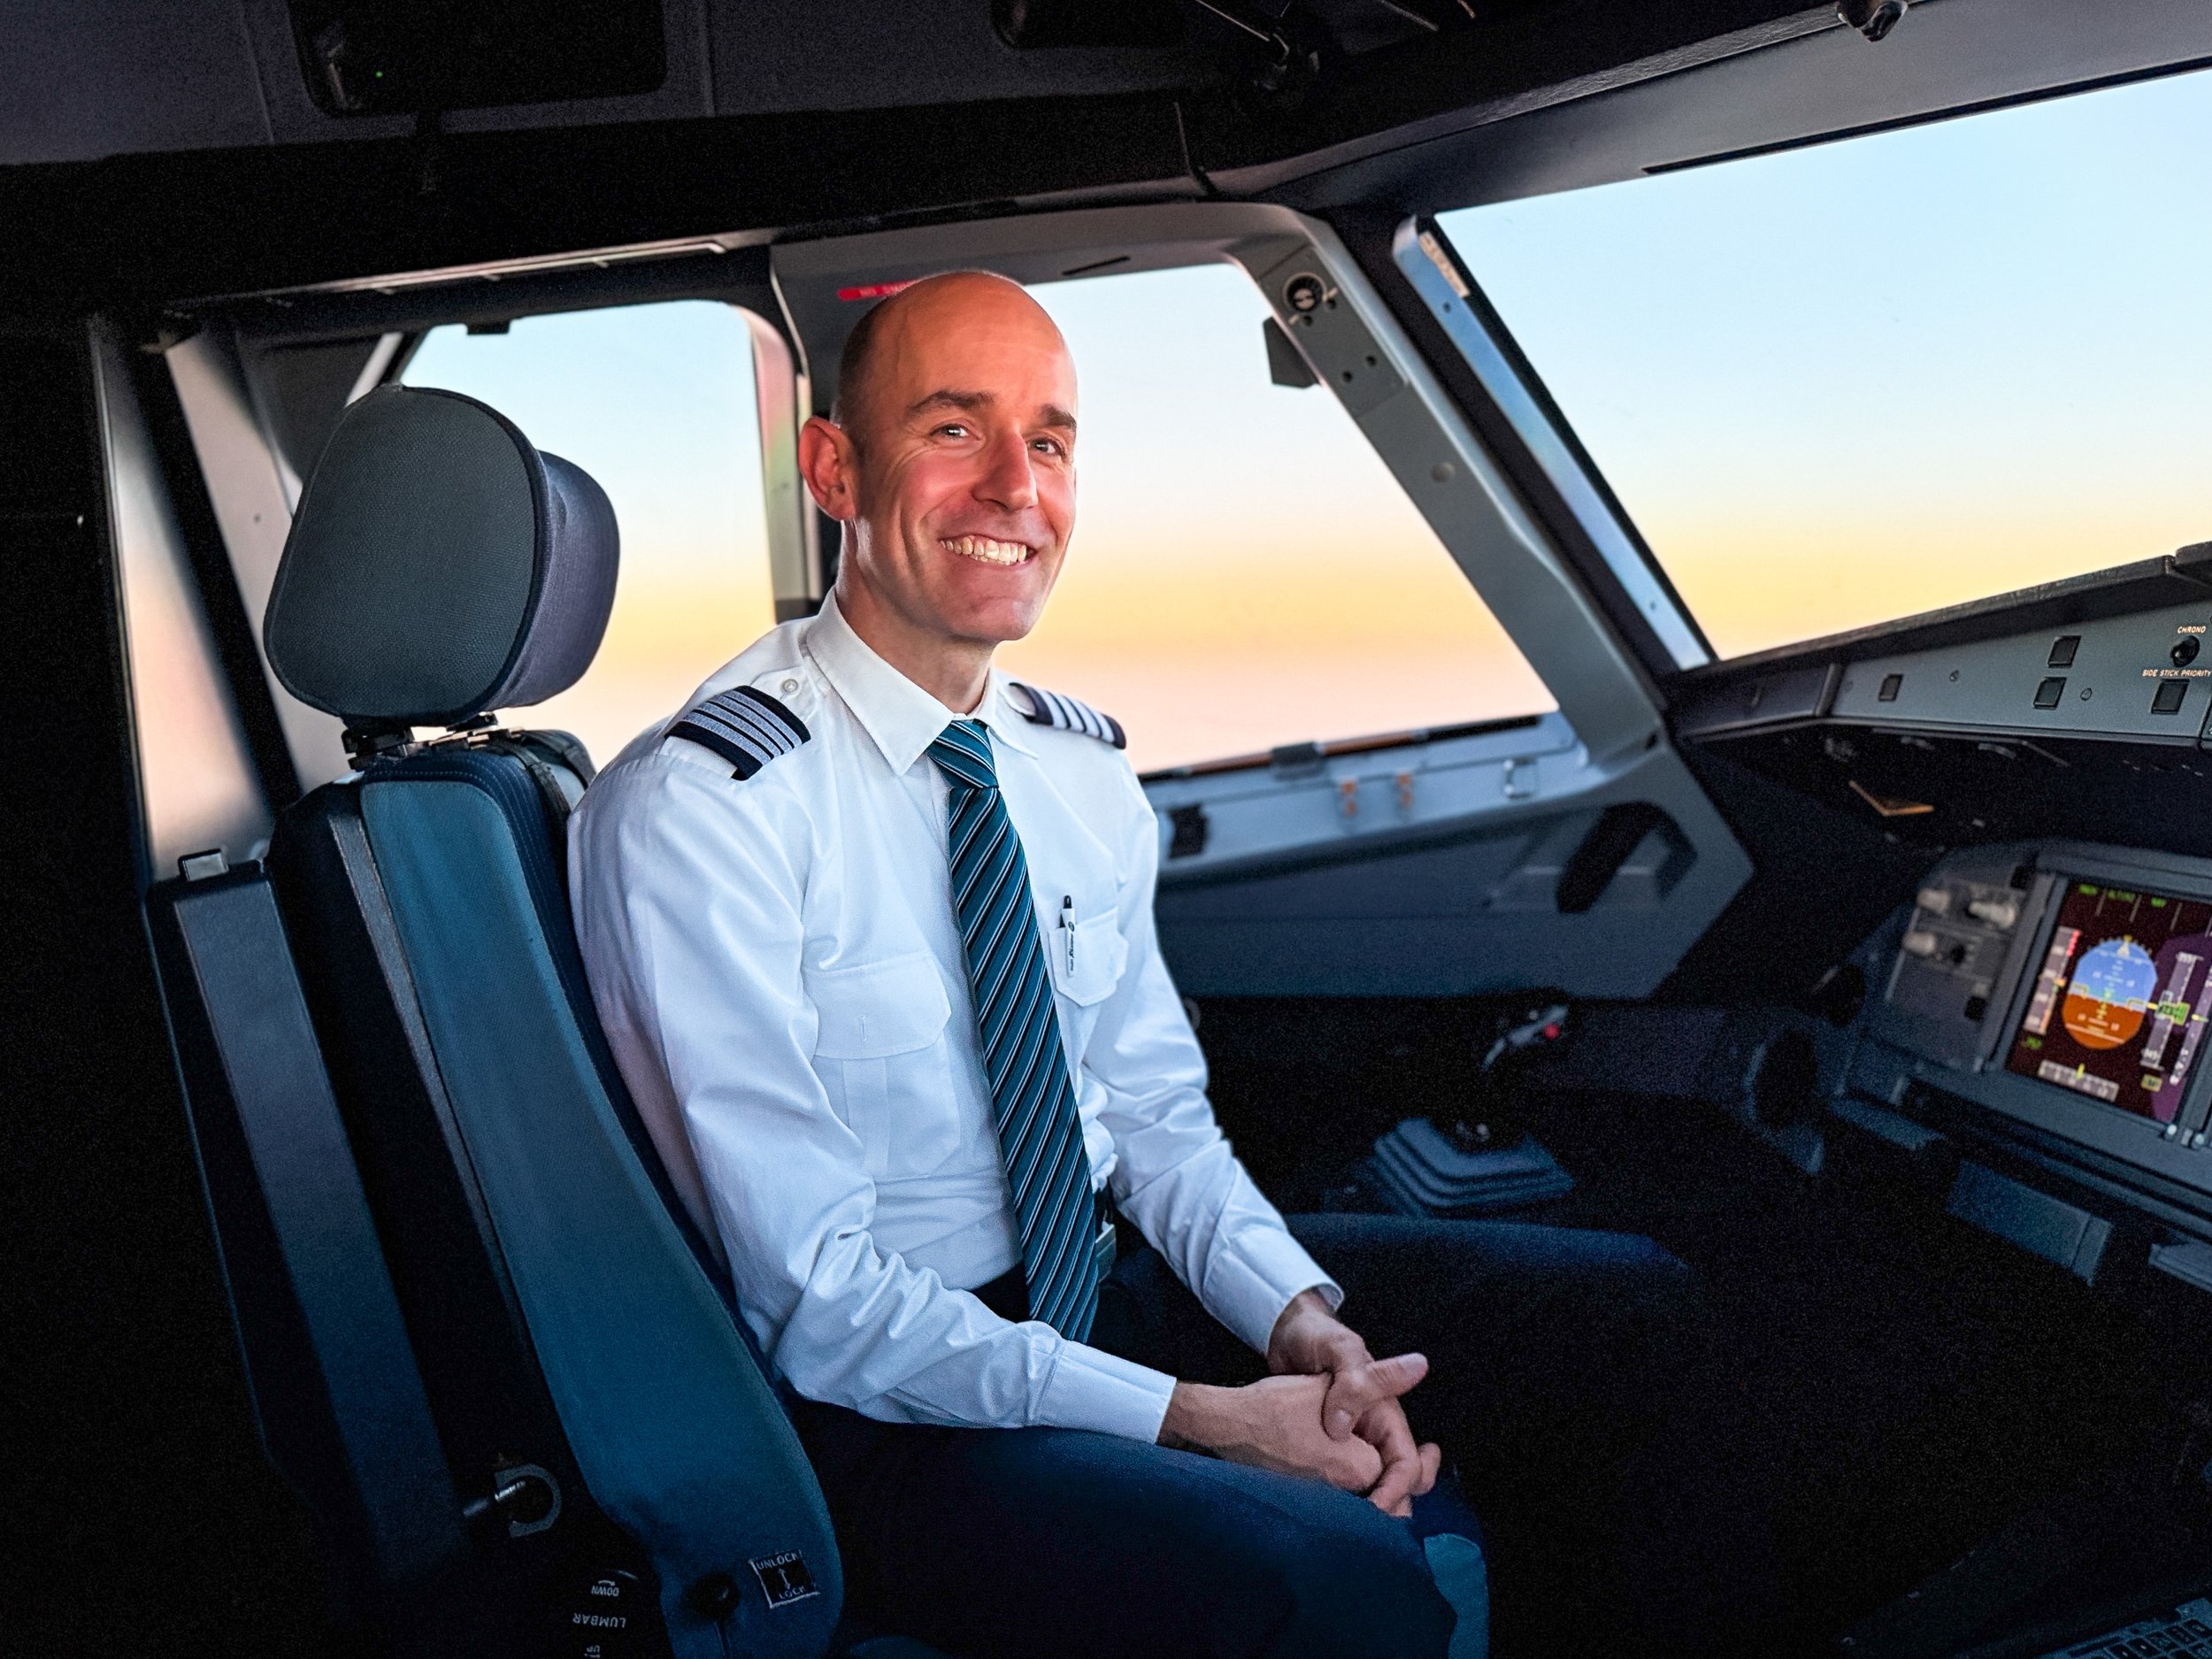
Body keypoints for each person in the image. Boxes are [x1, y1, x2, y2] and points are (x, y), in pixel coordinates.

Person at [571, 271, 1731, 1657]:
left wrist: (1301, 1330)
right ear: (834, 468)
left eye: (1050, 441)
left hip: (1095, 1290)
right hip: (882, 1410)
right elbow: (819, 1305)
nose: (1016, 485)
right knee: (1332, 1576)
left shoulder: (1074, 773)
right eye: (953, 429)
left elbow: (1157, 1124)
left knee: (1628, 1313)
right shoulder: (706, 810)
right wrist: (1205, 1420)